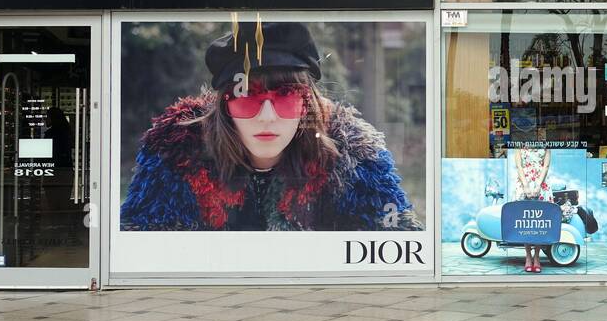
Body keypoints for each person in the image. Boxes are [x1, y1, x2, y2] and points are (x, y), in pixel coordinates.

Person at [121, 22, 418, 231]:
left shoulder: (354, 160)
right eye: (247, 95)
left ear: (307, 103)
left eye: (286, 95)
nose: (266, 116)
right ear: (224, 104)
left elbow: (394, 248)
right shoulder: (176, 156)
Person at [512, 145, 551, 273]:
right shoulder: (518, 143)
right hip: (524, 182)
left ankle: (537, 256)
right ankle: (528, 256)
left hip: (541, 182)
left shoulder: (546, 143)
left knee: (540, 222)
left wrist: (538, 184)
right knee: (526, 221)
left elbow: (546, 166)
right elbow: (519, 166)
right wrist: (525, 186)